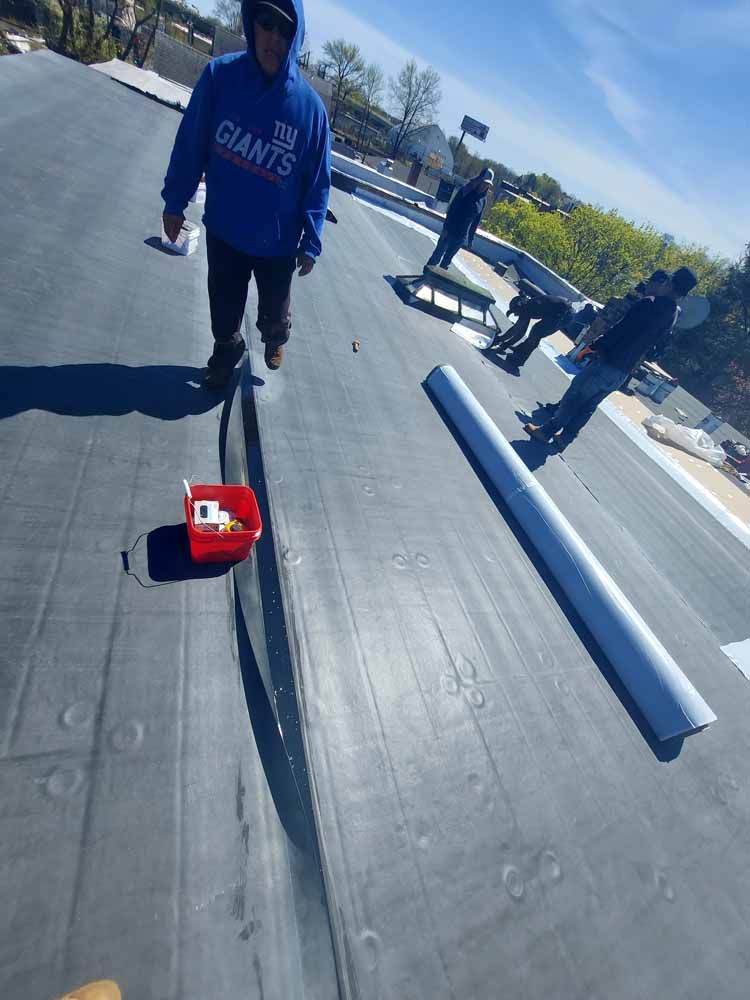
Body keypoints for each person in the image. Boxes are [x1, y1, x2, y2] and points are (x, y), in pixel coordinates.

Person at [162, 0, 331, 387]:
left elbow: (318, 183)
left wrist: (312, 240)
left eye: (285, 30)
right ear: (251, 23)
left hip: (277, 244)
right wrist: (175, 200)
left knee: (274, 313)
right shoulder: (220, 78)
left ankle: (275, 337)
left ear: (297, 38)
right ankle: (227, 351)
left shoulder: (310, 112)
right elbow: (192, 142)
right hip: (225, 230)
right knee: (223, 310)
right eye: (266, 23)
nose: (273, 37)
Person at [524, 266, 697, 451]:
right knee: (589, 405)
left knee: (575, 396)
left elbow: (621, 328)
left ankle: (547, 432)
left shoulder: (649, 303)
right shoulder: (672, 315)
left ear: (669, 285)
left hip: (609, 360)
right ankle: (565, 438)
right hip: (624, 370)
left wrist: (595, 346)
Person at [425, 168, 494, 270]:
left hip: (461, 237)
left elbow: (475, 221)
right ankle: (424, 276)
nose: (485, 186)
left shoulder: (483, 200)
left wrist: (470, 239)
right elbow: (451, 210)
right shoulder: (466, 190)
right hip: (449, 231)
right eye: (483, 183)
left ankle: (435, 282)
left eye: (487, 184)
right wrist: (445, 229)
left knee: (446, 263)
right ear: (479, 180)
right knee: (436, 257)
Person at [488, 289, 571, 371]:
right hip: (560, 312)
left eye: (515, 312)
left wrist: (501, 342)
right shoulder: (529, 304)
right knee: (536, 331)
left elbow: (518, 333)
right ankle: (519, 351)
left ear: (519, 308)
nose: (516, 315)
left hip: (564, 316)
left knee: (536, 333)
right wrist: (503, 342)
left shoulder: (527, 309)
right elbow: (518, 331)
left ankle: (518, 359)